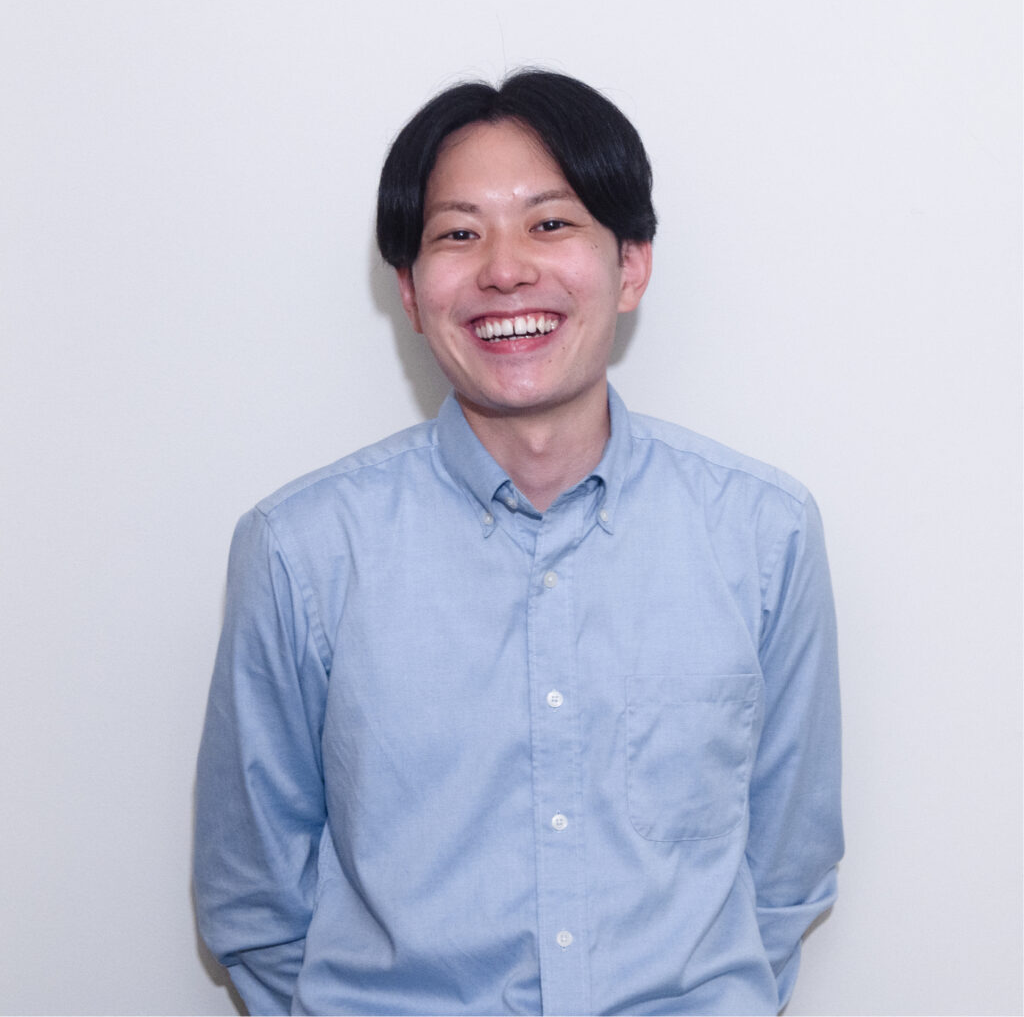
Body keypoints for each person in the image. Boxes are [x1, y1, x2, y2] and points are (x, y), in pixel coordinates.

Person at [194, 69, 842, 1016]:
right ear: (409, 290)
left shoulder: (764, 534)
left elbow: (788, 867)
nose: (505, 269)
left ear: (631, 266)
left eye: (550, 222)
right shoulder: (300, 552)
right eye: (459, 234)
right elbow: (252, 896)